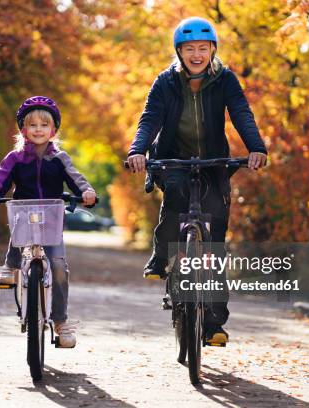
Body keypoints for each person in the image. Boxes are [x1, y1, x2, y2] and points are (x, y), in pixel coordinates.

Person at [126, 17, 267, 346]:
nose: (197, 54)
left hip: (213, 162)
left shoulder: (225, 79)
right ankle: (162, 256)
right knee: (174, 193)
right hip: (174, 158)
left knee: (214, 242)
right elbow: (150, 118)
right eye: (189, 49)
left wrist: (256, 147)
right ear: (179, 51)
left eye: (203, 48)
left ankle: (214, 323)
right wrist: (138, 151)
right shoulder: (165, 82)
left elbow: (242, 112)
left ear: (213, 50)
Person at [0, 96, 96, 348]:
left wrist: (86, 192)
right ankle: (10, 266)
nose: (39, 129)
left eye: (44, 125)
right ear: (23, 130)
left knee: (59, 267)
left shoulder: (60, 158)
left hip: (52, 220)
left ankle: (61, 322)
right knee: (18, 225)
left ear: (53, 130)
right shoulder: (15, 158)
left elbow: (76, 178)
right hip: (24, 214)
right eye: (33, 125)